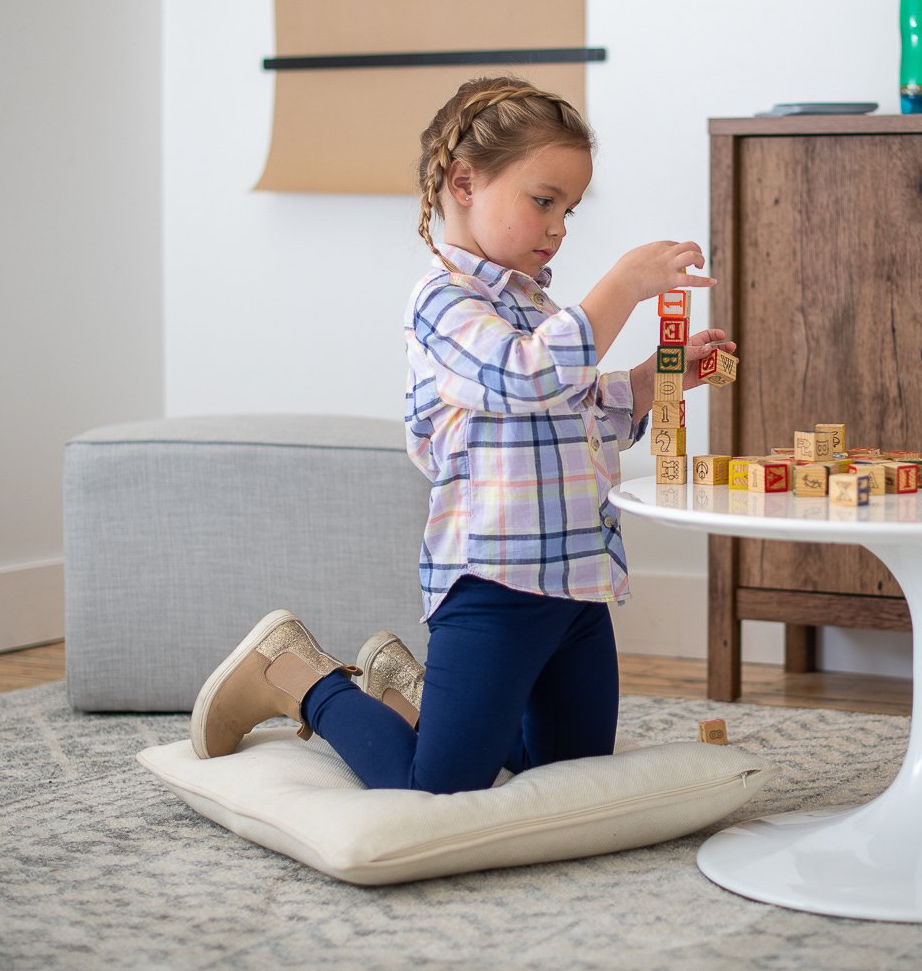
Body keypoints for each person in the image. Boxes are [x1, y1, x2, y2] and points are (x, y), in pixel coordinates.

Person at [190, 75, 735, 793]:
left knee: (566, 775)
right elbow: (524, 378)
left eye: (569, 209)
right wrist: (624, 285)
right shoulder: (443, 303)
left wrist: (656, 377)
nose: (559, 227)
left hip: (577, 585)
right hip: (494, 583)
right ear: (463, 181)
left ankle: (411, 695)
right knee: (439, 785)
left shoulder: (537, 305)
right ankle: (302, 677)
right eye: (544, 201)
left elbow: (573, 408)